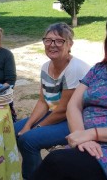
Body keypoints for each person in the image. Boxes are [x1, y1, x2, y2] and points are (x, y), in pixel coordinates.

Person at [32, 5, 107, 180]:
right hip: (86, 143)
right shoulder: (99, 69)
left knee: (56, 163)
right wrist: (82, 137)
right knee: (58, 165)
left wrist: (92, 134)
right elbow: (74, 105)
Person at [14, 23, 90, 179]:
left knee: (28, 140)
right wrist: (27, 125)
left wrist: (37, 128)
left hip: (78, 121)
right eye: (48, 40)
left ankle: (34, 176)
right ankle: (29, 171)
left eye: (59, 41)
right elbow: (43, 102)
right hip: (57, 114)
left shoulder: (75, 68)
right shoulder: (45, 67)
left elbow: (63, 110)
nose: (52, 45)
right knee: (14, 131)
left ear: (69, 44)